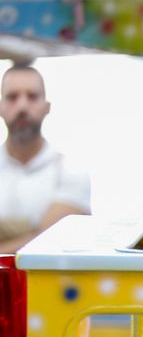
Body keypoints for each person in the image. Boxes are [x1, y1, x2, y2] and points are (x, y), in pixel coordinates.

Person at [0, 62, 90, 251]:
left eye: (32, 97)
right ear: (1, 106)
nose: (22, 106)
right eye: (12, 97)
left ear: (47, 107)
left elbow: (51, 244)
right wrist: (34, 234)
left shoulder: (71, 171)